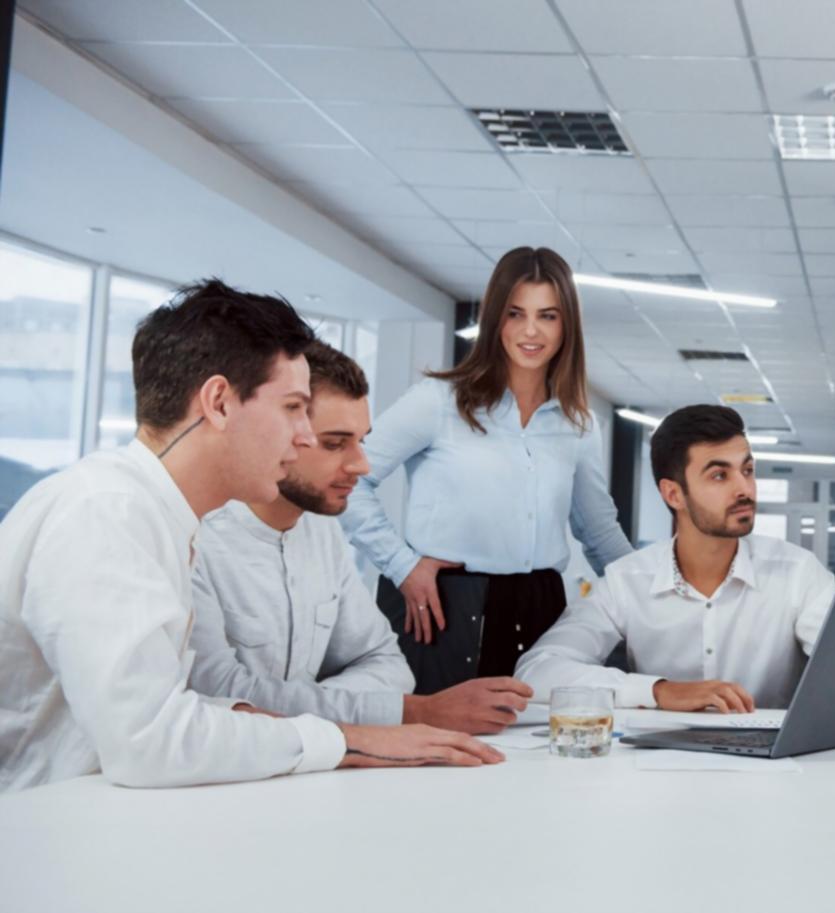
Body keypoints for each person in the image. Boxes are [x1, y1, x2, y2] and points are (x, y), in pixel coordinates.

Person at [0, 280, 501, 793]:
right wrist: (354, 739)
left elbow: (180, 708)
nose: (303, 435)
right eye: (293, 408)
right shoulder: (106, 514)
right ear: (219, 402)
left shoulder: (158, 517)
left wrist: (262, 719)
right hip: (43, 825)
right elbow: (149, 742)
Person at [189, 342, 532, 733]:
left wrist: (314, 707)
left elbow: (389, 665)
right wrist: (411, 712)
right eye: (335, 444)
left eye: (361, 442)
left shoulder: (322, 532)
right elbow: (220, 695)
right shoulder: (198, 541)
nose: (362, 465)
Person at [341, 247, 634, 695]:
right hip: (445, 608)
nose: (531, 331)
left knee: (538, 735)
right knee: (441, 734)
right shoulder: (438, 401)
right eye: (516, 314)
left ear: (567, 326)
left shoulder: (578, 424)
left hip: (541, 610)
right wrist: (402, 565)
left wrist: (654, 598)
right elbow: (348, 479)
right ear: (496, 319)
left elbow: (599, 533)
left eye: (548, 316)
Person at [516, 405, 835, 711]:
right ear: (673, 494)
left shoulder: (798, 573)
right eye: (719, 475)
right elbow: (537, 672)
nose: (745, 489)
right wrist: (659, 691)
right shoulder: (627, 580)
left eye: (747, 470)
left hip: (772, 750)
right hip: (656, 750)